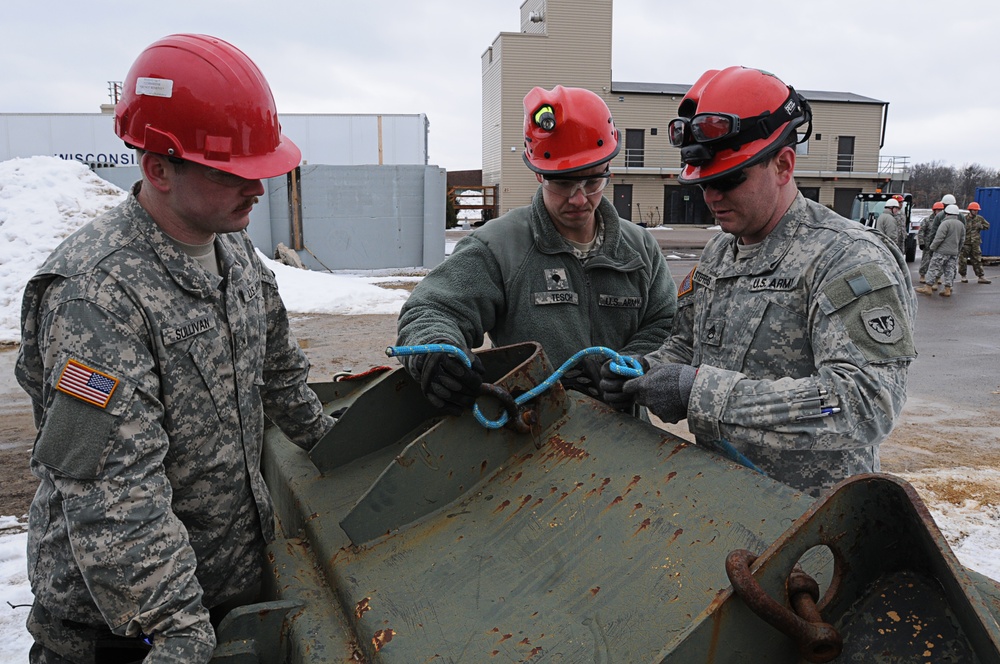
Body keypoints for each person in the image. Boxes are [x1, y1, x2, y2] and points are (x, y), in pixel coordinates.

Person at [15, 34, 334, 663]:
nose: (259, 190)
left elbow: (277, 372)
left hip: (218, 586)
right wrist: (181, 634)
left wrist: (333, 446)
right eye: (234, 173)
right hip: (128, 627)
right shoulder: (95, 296)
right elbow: (111, 493)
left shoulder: (231, 244)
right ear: (158, 168)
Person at [601, 66, 917, 498]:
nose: (712, 197)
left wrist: (699, 391)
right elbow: (685, 344)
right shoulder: (719, 253)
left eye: (729, 179)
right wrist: (640, 372)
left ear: (784, 165)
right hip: (724, 499)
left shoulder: (846, 258)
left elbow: (865, 403)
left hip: (812, 519)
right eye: (704, 183)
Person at [396, 85, 677, 413]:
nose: (578, 198)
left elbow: (667, 323)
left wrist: (626, 368)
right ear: (539, 175)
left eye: (592, 182)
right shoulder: (499, 247)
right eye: (562, 183)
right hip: (532, 439)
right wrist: (437, 353)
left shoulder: (639, 248)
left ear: (608, 173)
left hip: (626, 441)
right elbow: (431, 310)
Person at [916, 204, 966, 297]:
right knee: (949, 270)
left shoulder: (945, 223)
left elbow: (939, 238)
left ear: (946, 213)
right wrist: (957, 250)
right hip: (953, 252)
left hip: (941, 251)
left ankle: (928, 287)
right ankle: (947, 289)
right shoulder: (961, 225)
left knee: (933, 269)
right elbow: (962, 240)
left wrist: (932, 248)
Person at [958, 201, 992, 284]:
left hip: (975, 243)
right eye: (974, 210)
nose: (976, 211)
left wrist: (981, 226)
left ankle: (981, 276)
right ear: (970, 210)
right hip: (965, 243)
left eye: (977, 210)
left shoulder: (980, 218)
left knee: (977, 259)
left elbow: (987, 226)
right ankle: (963, 276)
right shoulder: (964, 219)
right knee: (963, 260)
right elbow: (959, 229)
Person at [918, 201, 945, 284]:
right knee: (926, 260)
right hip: (928, 244)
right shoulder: (927, 220)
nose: (939, 212)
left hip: (939, 244)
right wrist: (921, 242)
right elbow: (921, 231)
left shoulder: (944, 221)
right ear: (934, 210)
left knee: (939, 261)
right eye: (938, 210)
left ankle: (938, 276)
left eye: (941, 210)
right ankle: (922, 275)